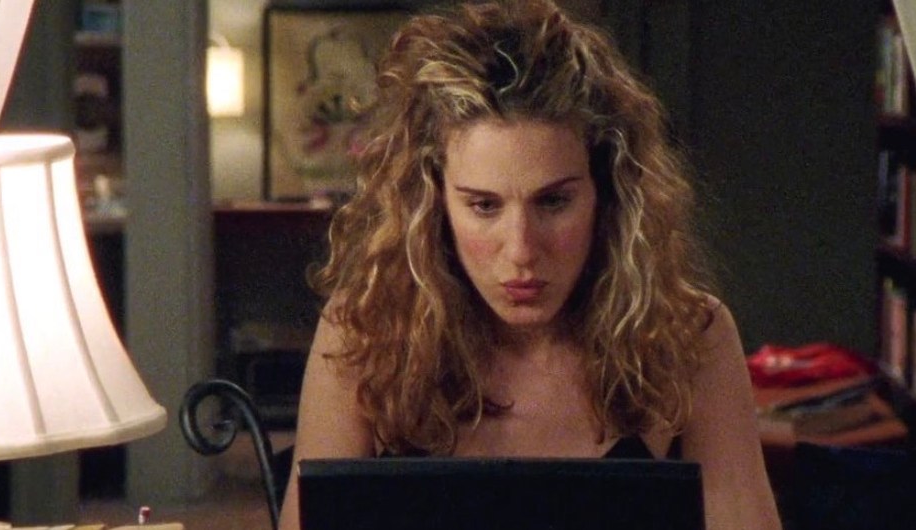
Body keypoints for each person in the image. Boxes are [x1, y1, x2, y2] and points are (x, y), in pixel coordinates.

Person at [279, 1, 781, 529]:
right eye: (484, 206)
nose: (520, 250)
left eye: (553, 202)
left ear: (607, 193)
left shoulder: (686, 336)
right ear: (433, 202)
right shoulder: (365, 332)